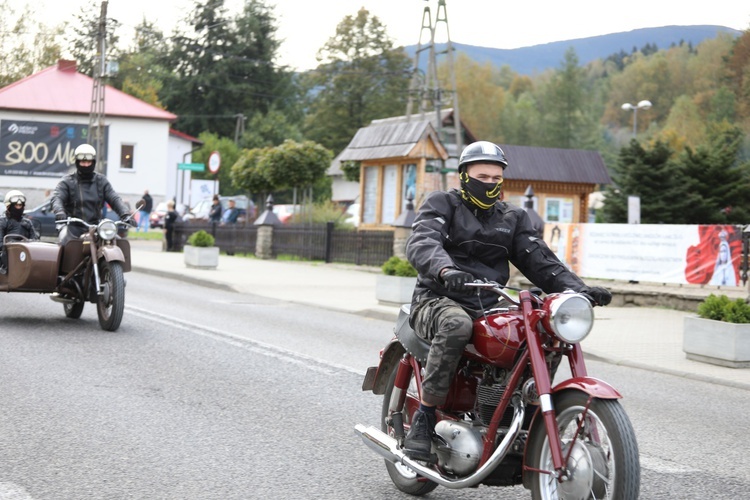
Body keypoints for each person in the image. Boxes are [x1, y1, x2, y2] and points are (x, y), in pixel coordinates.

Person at [402, 140, 612, 462]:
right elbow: (422, 242)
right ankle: (425, 417)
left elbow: (539, 260)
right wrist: (444, 268)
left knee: (543, 331)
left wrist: (578, 289)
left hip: (490, 301)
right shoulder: (442, 203)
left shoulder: (512, 217)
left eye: (495, 178)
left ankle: (524, 409)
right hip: (438, 296)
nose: (489, 183)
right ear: (464, 175)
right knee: (456, 325)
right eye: (482, 176)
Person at [52, 144, 132, 246]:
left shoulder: (101, 181)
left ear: (93, 162)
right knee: (66, 244)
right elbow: (57, 198)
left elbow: (114, 198)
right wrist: (59, 211)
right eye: (83, 162)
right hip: (73, 227)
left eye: (88, 162)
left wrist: (125, 213)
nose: (86, 165)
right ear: (77, 162)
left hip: (97, 226)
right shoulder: (67, 182)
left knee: (120, 243)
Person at [0, 190, 39, 274]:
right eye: (16, 205)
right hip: (8, 255)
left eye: (20, 205)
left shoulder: (27, 222)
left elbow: (35, 240)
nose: (18, 208)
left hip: (24, 255)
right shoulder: (3, 221)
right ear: (8, 206)